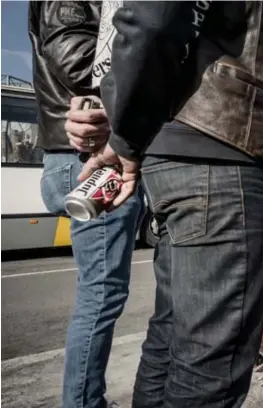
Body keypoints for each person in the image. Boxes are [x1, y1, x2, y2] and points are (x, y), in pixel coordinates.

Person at [67, 2, 263, 406]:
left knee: (172, 338)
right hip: (219, 147)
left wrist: (125, 126)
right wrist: (126, 134)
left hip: (173, 149)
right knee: (209, 367)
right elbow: (155, 17)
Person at [28, 3, 146, 407]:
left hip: (79, 154)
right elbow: (80, 63)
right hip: (86, 157)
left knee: (100, 291)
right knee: (101, 294)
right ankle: (82, 403)